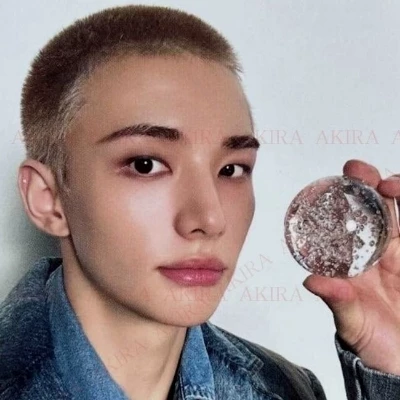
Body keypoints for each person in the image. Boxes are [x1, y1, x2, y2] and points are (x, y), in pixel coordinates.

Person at [0, 4, 399, 399]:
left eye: (231, 169)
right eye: (145, 165)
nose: (209, 219)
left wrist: (391, 367)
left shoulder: (289, 388)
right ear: (47, 199)